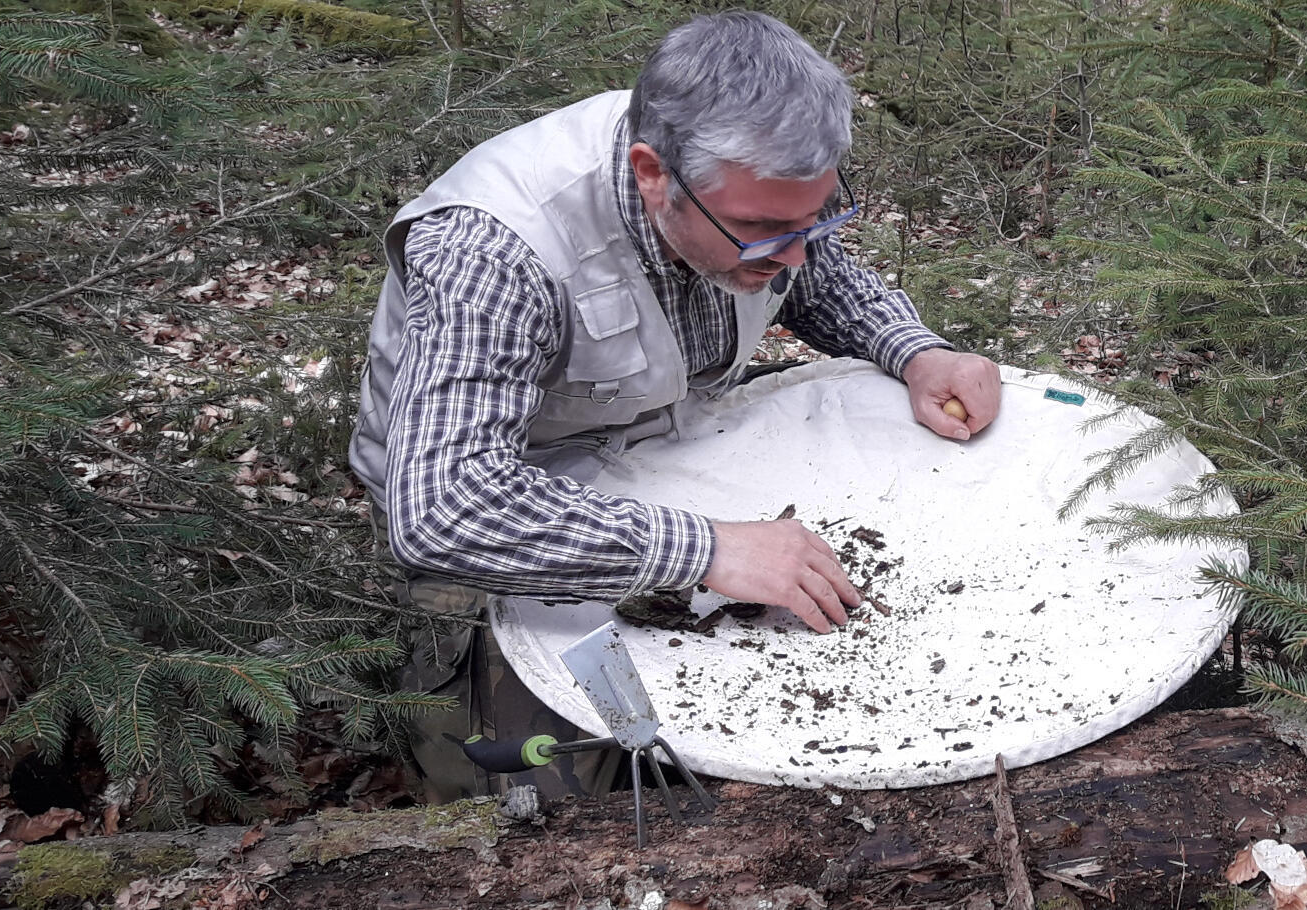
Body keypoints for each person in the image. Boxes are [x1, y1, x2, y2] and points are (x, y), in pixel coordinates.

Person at [349, 10, 1002, 801]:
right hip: (506, 530)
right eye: (762, 231)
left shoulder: (740, 179)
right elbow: (444, 511)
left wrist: (914, 349)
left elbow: (816, 274)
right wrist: (709, 552)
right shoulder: (493, 247)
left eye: (815, 218)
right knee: (541, 802)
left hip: (661, 461)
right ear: (652, 172)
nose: (793, 253)